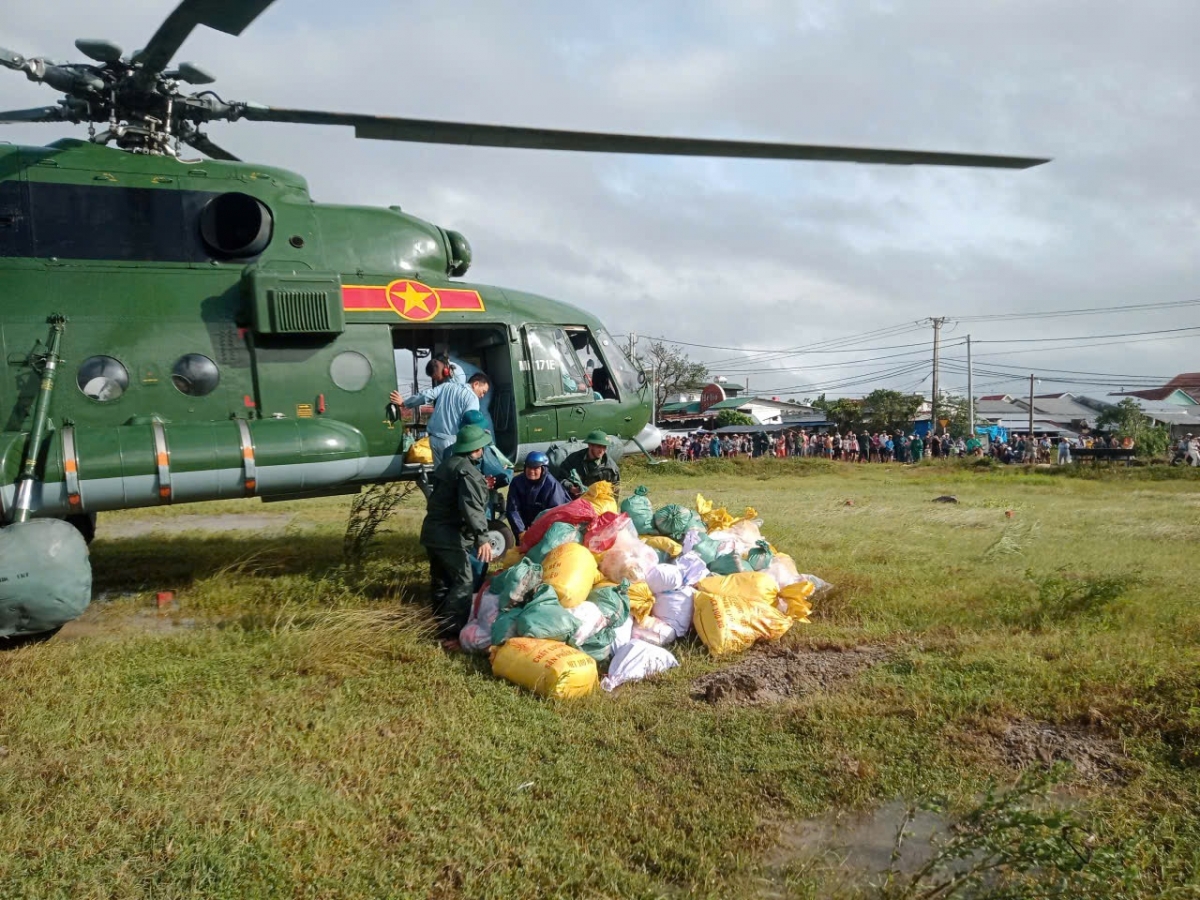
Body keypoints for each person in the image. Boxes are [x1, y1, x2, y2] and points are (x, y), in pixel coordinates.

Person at [420, 424, 496, 647]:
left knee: (442, 580)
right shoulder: (467, 471)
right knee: (463, 580)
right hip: (448, 534)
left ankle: (440, 626)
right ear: (475, 450)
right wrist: (482, 537)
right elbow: (471, 506)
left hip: (432, 532)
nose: (482, 451)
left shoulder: (450, 464)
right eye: (481, 447)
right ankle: (452, 634)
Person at [392, 372, 490, 467]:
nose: (482, 396)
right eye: (483, 392)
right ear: (476, 384)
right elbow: (470, 424)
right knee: (453, 475)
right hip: (452, 441)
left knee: (440, 474)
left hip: (434, 439)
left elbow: (426, 395)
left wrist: (405, 403)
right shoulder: (472, 398)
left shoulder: (446, 386)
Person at [506, 451, 570, 538]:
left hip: (548, 531)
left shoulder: (552, 485)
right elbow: (513, 509)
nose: (531, 471)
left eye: (535, 468)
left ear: (543, 469)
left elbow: (555, 513)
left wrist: (537, 532)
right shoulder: (517, 482)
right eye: (529, 467)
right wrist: (521, 532)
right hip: (524, 527)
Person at [560, 429, 621, 497]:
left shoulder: (611, 469)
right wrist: (571, 488)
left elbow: (614, 493)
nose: (602, 450)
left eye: (604, 447)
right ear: (590, 445)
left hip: (597, 502)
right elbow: (561, 478)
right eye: (599, 446)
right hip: (574, 500)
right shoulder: (573, 459)